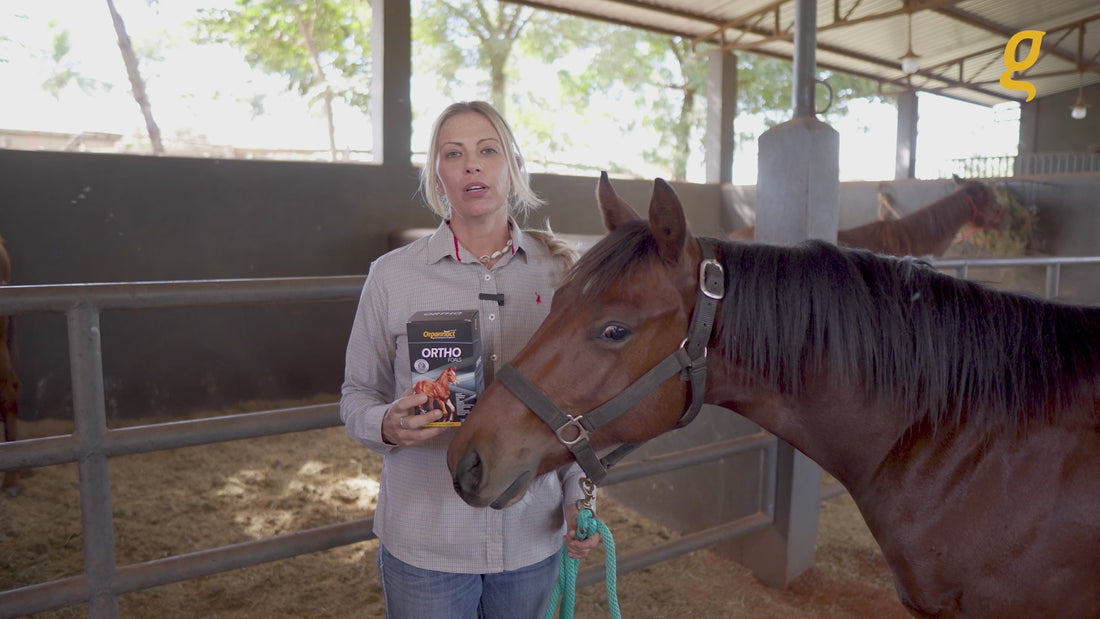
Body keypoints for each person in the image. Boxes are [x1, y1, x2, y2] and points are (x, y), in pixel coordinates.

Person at [340, 100, 600, 618]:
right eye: (453, 153)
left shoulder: (560, 275)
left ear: (514, 166)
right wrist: (385, 424)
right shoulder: (391, 276)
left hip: (532, 538)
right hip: (426, 544)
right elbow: (355, 397)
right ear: (438, 177)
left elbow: (576, 410)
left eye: (488, 150)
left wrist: (579, 496)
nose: (472, 165)